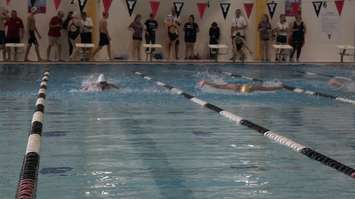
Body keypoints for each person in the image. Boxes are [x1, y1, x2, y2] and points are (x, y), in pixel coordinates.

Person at [199, 80, 283, 93]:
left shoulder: (231, 86)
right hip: (245, 88)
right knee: (264, 88)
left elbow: (218, 86)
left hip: (241, 88)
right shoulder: (252, 87)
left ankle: (205, 82)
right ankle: (278, 87)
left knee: (219, 86)